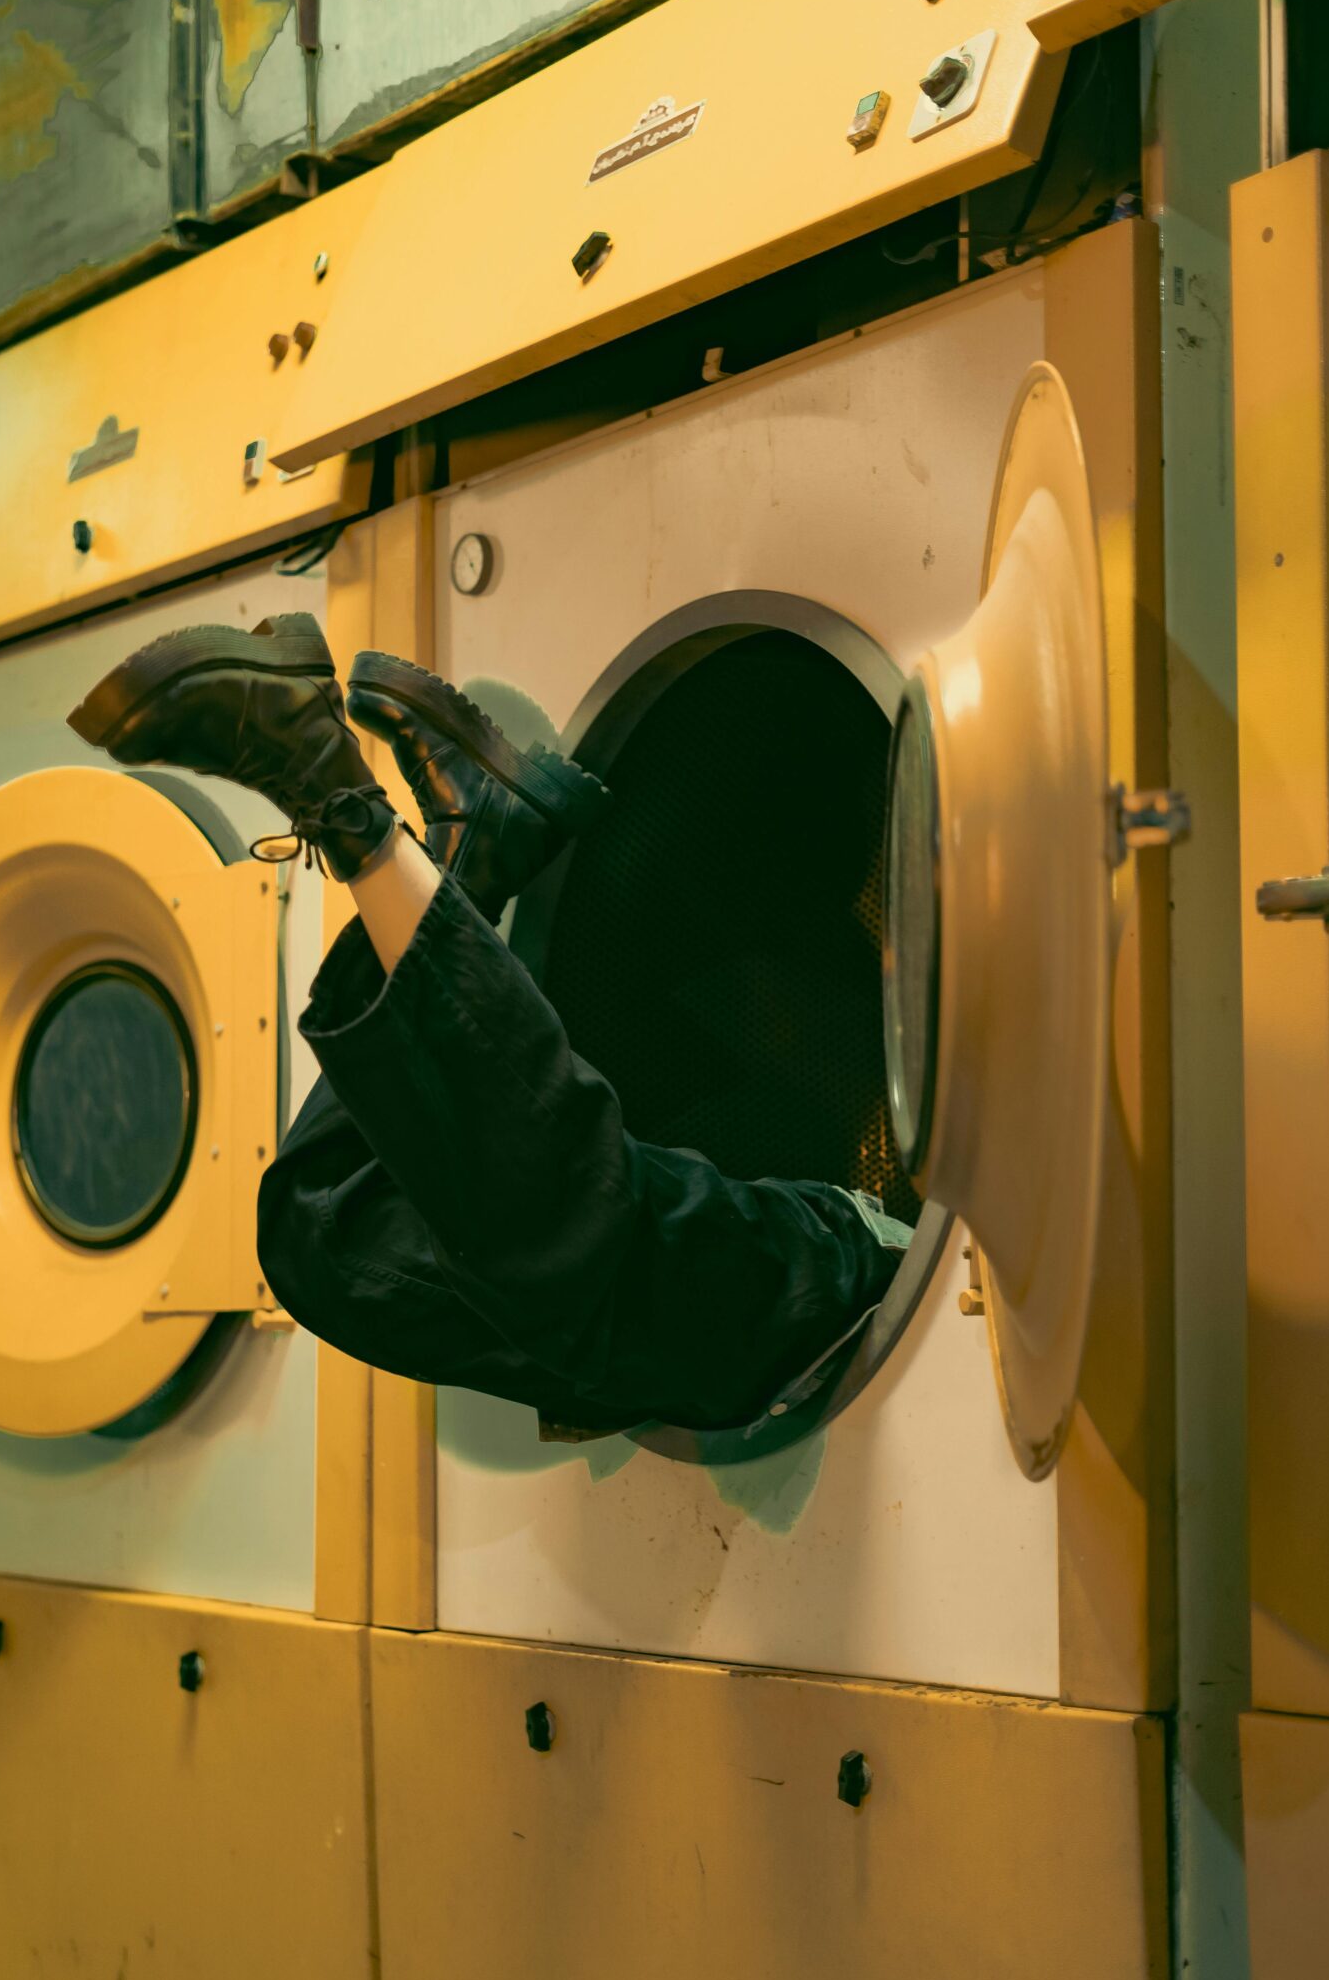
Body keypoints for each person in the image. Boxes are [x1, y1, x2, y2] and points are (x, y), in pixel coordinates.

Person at [69, 614, 907, 1442]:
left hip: (790, 1300)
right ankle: (387, 823)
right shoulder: (781, 1026)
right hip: (779, 1277)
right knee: (419, 1238)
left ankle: (415, 833)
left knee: (392, 1240)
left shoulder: (818, 1016)